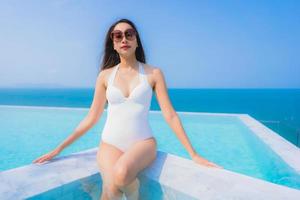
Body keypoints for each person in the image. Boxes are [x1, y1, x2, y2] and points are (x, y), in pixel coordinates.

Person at [33, 18, 222, 200]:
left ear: (137, 41)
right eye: (118, 36)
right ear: (113, 44)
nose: (124, 39)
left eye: (129, 34)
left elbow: (170, 115)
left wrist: (193, 154)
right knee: (111, 191)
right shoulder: (104, 76)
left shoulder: (153, 73)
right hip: (110, 144)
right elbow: (92, 117)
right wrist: (58, 149)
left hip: (143, 144)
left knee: (122, 174)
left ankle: (134, 194)